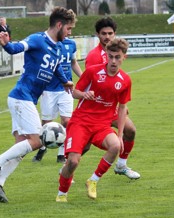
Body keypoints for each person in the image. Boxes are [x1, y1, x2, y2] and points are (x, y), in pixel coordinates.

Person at [0, 7, 76, 203]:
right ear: (59, 25)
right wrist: (7, 44)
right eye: (68, 28)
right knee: (37, 141)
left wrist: (65, 81)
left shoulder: (58, 47)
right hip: (21, 97)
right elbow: (17, 48)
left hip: (26, 99)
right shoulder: (37, 39)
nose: (69, 32)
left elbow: (58, 67)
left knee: (22, 147)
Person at [56, 38, 132, 202]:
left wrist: (119, 134)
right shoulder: (92, 71)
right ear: (106, 54)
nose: (113, 61)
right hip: (81, 122)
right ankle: (62, 194)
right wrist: (84, 94)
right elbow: (75, 91)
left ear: (124, 57)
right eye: (110, 56)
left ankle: (93, 180)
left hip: (101, 125)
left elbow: (123, 108)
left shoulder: (125, 80)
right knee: (73, 162)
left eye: (117, 57)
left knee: (115, 146)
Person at [84, 17, 140, 180]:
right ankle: (68, 166)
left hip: (111, 107)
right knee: (84, 143)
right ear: (97, 35)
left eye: (110, 33)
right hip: (95, 108)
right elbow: (92, 84)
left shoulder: (114, 52)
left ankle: (121, 165)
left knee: (130, 130)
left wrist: (119, 104)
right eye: (103, 34)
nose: (107, 37)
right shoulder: (94, 56)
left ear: (115, 34)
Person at [32, 36, 83, 164]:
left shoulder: (71, 44)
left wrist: (83, 77)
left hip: (66, 89)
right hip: (49, 89)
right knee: (46, 122)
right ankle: (43, 147)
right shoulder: (49, 44)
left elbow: (73, 62)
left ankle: (61, 153)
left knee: (67, 121)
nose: (69, 31)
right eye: (67, 27)